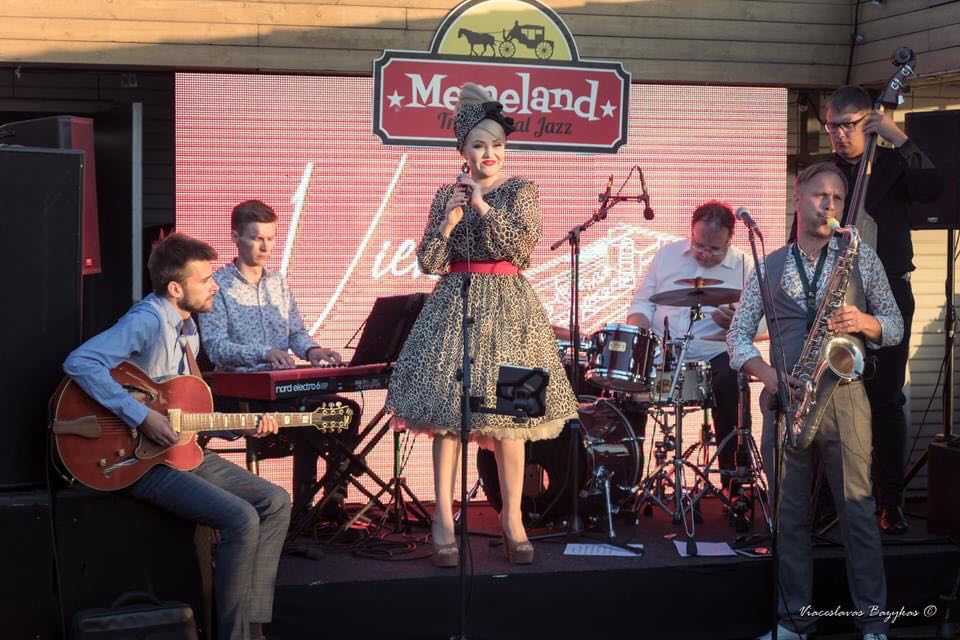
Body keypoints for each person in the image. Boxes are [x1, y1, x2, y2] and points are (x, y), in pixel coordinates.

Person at [384, 83, 578, 567]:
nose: (489, 153)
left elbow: (521, 248)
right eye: (479, 144)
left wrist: (482, 206)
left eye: (497, 145)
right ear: (462, 150)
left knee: (511, 422)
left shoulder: (521, 190)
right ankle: (443, 522)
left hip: (511, 314)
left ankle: (513, 520)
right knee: (451, 423)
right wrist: (448, 222)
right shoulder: (444, 194)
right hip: (456, 306)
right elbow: (430, 261)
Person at [63, 233, 290, 640]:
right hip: (135, 460)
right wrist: (141, 416)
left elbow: (190, 409)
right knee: (240, 517)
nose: (215, 285)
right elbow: (81, 361)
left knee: (275, 501)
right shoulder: (148, 320)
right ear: (175, 288)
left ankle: (252, 627)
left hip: (178, 452)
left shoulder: (188, 329)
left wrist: (240, 426)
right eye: (205, 280)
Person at [729, 162, 903, 640]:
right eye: (819, 195)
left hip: (845, 396)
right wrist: (769, 376)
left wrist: (863, 322)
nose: (829, 204)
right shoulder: (769, 265)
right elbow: (738, 336)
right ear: (797, 199)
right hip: (788, 400)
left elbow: (894, 325)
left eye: (837, 198)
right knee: (788, 519)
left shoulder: (861, 259)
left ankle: (873, 624)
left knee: (859, 513)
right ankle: (793, 621)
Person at [800, 85, 942, 533]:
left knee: (885, 400)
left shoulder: (895, 161)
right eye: (832, 127)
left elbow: (933, 188)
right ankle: (824, 501)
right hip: (835, 295)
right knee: (828, 396)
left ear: (868, 121)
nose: (839, 135)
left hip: (887, 294)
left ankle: (891, 502)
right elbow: (800, 231)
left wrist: (898, 138)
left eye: (848, 126)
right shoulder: (827, 175)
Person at [198, 199, 361, 522]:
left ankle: (330, 502)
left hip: (285, 389)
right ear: (235, 237)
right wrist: (263, 352)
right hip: (243, 393)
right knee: (309, 418)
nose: (265, 246)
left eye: (271, 239)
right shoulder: (218, 286)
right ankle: (302, 508)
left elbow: (296, 333)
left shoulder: (278, 283)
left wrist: (314, 352)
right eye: (257, 237)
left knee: (344, 412)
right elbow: (216, 348)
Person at [627, 201, 749, 493]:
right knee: (627, 384)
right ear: (690, 233)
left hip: (713, 355)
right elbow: (641, 302)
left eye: (714, 250)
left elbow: (762, 323)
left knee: (732, 379)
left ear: (730, 240)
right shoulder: (667, 256)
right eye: (699, 245)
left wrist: (736, 323)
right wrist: (639, 329)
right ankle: (626, 481)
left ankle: (731, 480)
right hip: (661, 351)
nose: (705, 254)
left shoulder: (745, 266)